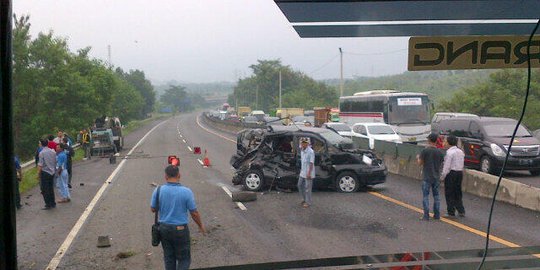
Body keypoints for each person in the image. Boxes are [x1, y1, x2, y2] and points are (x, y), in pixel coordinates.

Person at [150, 165, 206, 270]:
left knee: (169, 258)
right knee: (184, 259)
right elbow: (194, 213)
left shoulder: (158, 190)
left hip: (164, 229)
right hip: (181, 229)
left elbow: (153, 209)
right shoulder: (186, 191)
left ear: (165, 176)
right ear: (179, 175)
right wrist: (200, 226)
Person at [416, 133, 444, 221]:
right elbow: (441, 164)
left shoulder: (425, 151)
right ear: (436, 140)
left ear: (429, 140)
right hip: (436, 176)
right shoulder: (440, 152)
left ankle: (426, 215)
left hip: (427, 176)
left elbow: (420, 163)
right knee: (436, 196)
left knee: (425, 196)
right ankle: (437, 215)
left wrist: (418, 158)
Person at [441, 135, 466, 217]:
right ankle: (461, 210)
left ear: (449, 143)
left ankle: (451, 211)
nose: (444, 143)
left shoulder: (449, 153)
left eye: (445, 141)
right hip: (459, 173)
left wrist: (442, 176)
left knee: (449, 192)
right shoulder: (460, 152)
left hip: (451, 174)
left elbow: (446, 167)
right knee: (457, 192)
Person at [38, 139, 57, 210]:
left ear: (41, 144)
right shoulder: (52, 151)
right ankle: (53, 203)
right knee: (51, 188)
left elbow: (40, 164)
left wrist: (38, 174)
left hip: (45, 172)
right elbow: (55, 161)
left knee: (45, 189)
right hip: (52, 171)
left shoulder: (42, 153)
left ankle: (48, 204)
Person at [297, 137, 315, 208]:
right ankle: (303, 199)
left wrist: (309, 173)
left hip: (308, 172)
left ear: (308, 143)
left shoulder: (311, 151)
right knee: (299, 185)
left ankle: (308, 202)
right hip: (303, 171)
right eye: (302, 143)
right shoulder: (302, 150)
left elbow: (311, 163)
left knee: (308, 188)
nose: (303, 144)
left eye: (305, 143)